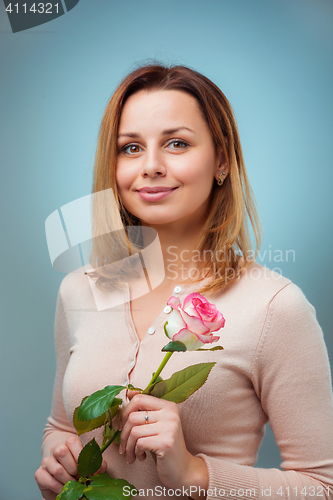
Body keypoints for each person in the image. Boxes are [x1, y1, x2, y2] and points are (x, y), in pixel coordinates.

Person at [35, 63, 333, 500]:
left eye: (177, 143)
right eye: (131, 148)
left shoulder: (275, 308)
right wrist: (57, 464)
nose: (151, 166)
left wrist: (195, 474)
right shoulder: (79, 289)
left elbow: (322, 487)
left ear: (222, 160)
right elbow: (61, 426)